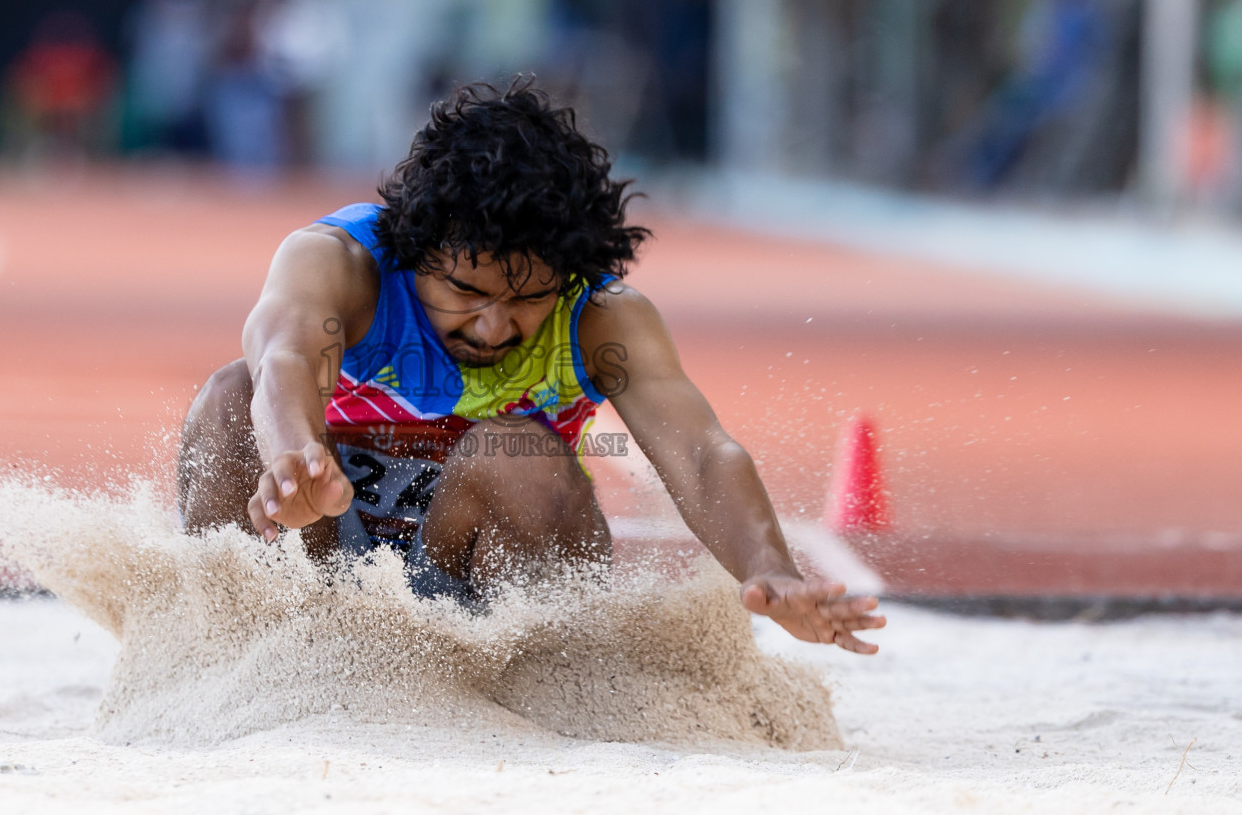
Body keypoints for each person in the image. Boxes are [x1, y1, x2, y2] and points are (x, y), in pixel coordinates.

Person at [179, 78, 885, 654]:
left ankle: (525, 683)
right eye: (466, 291)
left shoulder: (605, 317)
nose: (493, 327)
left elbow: (701, 454)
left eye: (528, 300)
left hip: (489, 577)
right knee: (227, 398)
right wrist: (294, 460)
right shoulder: (339, 263)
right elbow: (282, 358)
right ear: (412, 250)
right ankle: (229, 656)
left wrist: (770, 570)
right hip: (327, 552)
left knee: (513, 448)